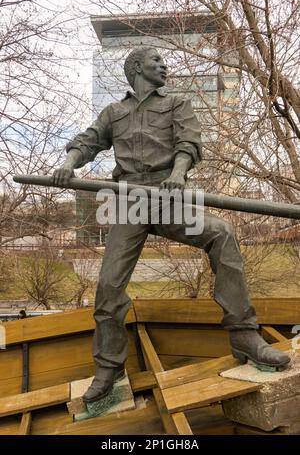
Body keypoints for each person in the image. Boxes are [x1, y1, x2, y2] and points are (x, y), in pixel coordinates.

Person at [53, 47, 290, 403]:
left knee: (221, 234)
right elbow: (88, 141)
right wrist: (69, 163)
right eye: (156, 62)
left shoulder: (177, 103)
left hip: (169, 196)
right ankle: (108, 369)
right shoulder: (114, 112)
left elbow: (189, 143)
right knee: (108, 285)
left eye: (164, 62)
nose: (165, 66)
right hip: (130, 203)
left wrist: (178, 174)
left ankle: (244, 335)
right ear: (136, 68)